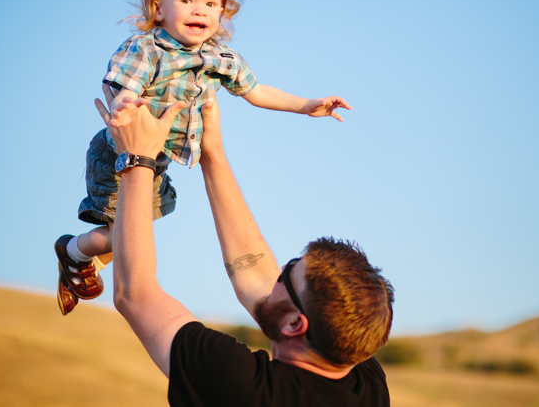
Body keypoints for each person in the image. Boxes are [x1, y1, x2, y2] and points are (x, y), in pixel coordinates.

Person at [55, 0, 351, 315]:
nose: (201, 11)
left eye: (211, 4)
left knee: (138, 228)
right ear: (158, 8)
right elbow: (123, 87)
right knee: (126, 233)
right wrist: (126, 105)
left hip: (156, 159)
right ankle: (72, 251)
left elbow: (256, 91)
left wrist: (307, 105)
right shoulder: (147, 50)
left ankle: (81, 259)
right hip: (120, 153)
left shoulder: (219, 58)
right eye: (188, 1)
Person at [94, 88, 393, 406]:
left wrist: (137, 157)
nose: (276, 274)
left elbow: (136, 294)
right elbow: (255, 273)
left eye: (288, 274)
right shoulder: (365, 385)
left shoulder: (242, 386)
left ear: (295, 325)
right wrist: (212, 154)